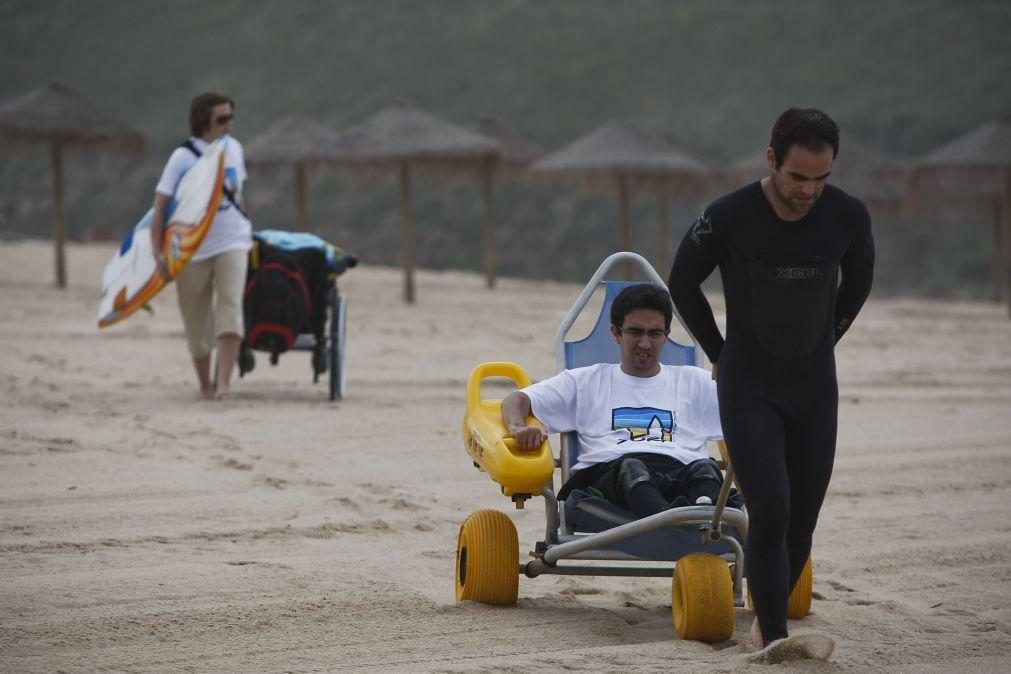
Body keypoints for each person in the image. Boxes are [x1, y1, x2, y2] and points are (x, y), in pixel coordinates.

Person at [667, 107, 874, 654]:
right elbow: (681, 282)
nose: (809, 190)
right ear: (771, 160)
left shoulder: (847, 215)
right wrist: (719, 352)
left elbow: (859, 284)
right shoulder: (731, 214)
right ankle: (776, 638)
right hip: (748, 382)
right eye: (797, 177)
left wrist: (826, 338)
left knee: (802, 519)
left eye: (821, 178)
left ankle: (768, 616)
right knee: (772, 504)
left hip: (813, 384)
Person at [502, 284, 729, 517]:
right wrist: (518, 427)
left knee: (706, 469)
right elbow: (517, 399)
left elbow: (749, 413)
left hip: (678, 477)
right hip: (611, 482)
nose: (644, 343)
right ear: (616, 333)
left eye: (654, 333)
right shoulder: (585, 381)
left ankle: (702, 516)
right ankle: (669, 520)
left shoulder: (696, 382)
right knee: (633, 468)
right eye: (635, 332)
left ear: (666, 335)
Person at [150, 92, 253, 400]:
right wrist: (158, 254)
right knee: (196, 319)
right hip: (192, 247)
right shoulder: (182, 157)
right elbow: (160, 208)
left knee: (230, 307)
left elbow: (238, 194)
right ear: (203, 121)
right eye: (222, 119)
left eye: (231, 117)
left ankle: (223, 385)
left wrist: (247, 227)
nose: (229, 125)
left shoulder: (234, 149)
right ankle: (205, 386)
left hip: (232, 240)